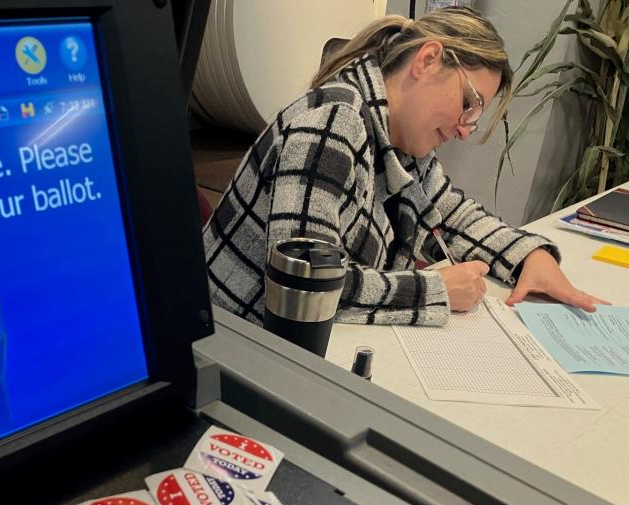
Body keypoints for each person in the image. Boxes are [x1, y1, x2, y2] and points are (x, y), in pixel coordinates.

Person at [203, 7, 608, 326]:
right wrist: (435, 290)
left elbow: (450, 215)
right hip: (233, 347)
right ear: (428, 59)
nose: (465, 131)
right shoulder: (332, 123)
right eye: (468, 104)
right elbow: (306, 287)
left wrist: (531, 257)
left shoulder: (401, 141)